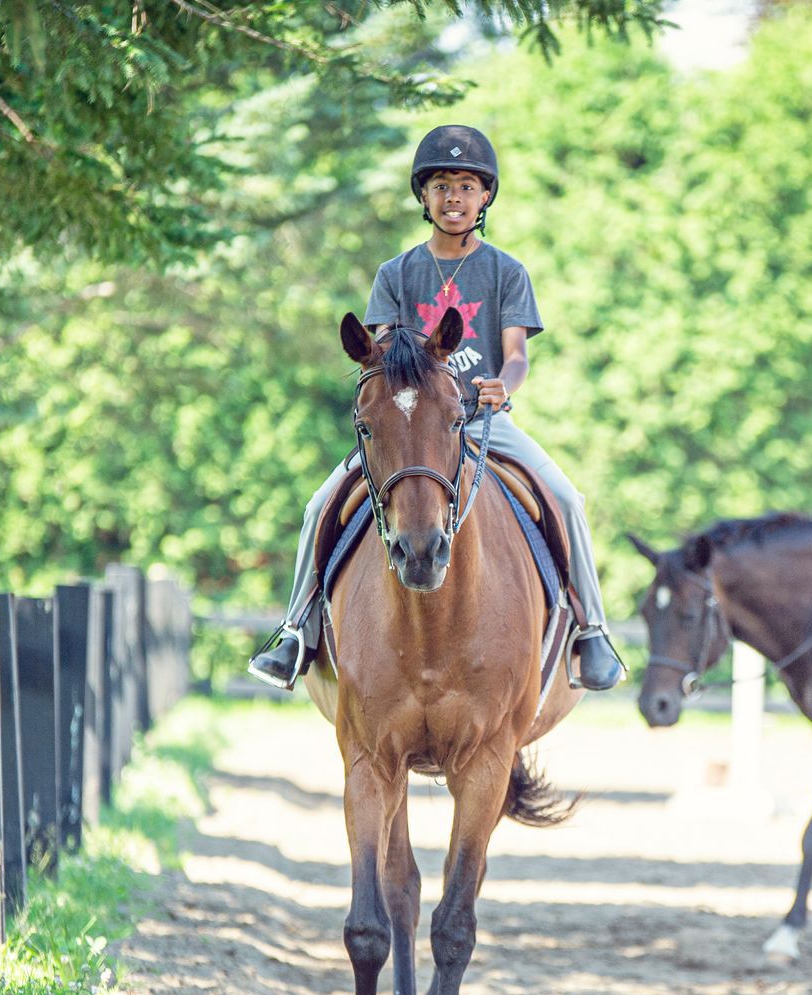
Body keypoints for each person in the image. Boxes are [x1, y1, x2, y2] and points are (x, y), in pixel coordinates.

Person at [249, 124, 623, 692]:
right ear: (424, 197)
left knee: (568, 499)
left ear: (485, 197)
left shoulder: (506, 272)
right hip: (409, 431)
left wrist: (505, 383)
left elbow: (517, 354)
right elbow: (380, 354)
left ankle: (590, 630)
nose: (455, 198)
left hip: (481, 423)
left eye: (468, 186)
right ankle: (297, 629)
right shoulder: (396, 274)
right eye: (443, 186)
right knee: (318, 506)